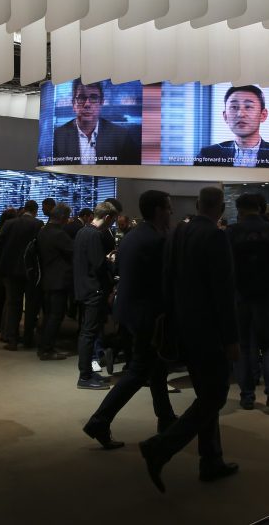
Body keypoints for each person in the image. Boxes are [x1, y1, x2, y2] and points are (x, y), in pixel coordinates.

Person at [138, 187, 239, 492]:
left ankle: (211, 460)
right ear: (221, 208)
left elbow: (166, 281)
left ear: (196, 205)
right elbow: (223, 293)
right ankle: (160, 447)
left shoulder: (175, 234)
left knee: (205, 393)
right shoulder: (216, 237)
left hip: (182, 327)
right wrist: (231, 338)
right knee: (215, 395)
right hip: (208, 331)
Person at [83, 191, 178, 449]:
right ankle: (100, 420)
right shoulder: (157, 240)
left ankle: (166, 419)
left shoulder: (133, 236)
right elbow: (164, 282)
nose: (171, 213)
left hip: (131, 311)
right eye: (168, 208)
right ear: (159, 210)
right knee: (138, 372)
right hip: (147, 315)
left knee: (155, 369)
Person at [227, 193, 269, 411]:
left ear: (240, 210)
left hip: (240, 295)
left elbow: (225, 266)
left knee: (244, 346)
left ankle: (247, 396)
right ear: (261, 208)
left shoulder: (232, 232)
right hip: (267, 295)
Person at [73, 201, 120, 390]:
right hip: (93, 289)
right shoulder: (94, 235)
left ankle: (88, 373)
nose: (113, 223)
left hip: (84, 287)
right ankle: (84, 376)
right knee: (89, 333)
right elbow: (98, 265)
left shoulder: (82, 231)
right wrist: (110, 261)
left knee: (88, 332)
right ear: (107, 217)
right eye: (113, 219)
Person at [194, 86, 269, 169]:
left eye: (248, 107)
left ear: (263, 115)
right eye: (234, 107)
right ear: (225, 116)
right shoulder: (207, 155)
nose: (240, 114)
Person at [0, 201, 44, 351]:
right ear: (35, 210)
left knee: (13, 305)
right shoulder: (38, 224)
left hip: (10, 271)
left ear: (24, 209)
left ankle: (12, 340)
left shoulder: (9, 223)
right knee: (31, 306)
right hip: (30, 271)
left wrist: (1, 262)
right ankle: (28, 339)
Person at [52, 80, 140, 166]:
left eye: (93, 98)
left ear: (101, 103)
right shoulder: (57, 137)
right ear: (73, 104)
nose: (87, 104)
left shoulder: (122, 137)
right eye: (82, 98)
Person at [35, 203, 74, 361]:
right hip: (59, 280)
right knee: (55, 316)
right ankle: (47, 350)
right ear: (63, 217)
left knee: (48, 315)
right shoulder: (59, 234)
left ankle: (44, 346)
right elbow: (73, 252)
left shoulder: (43, 231)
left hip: (46, 278)